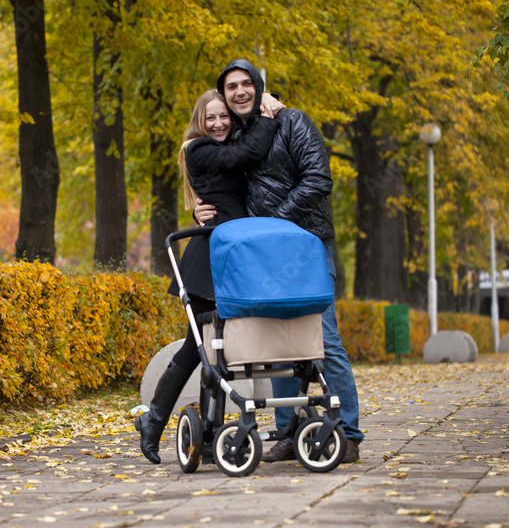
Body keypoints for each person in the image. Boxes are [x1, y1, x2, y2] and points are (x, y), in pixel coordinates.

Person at [195, 59, 364, 463]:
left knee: (323, 339)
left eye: (246, 84)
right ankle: (290, 431)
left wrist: (278, 222)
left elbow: (318, 179)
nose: (239, 92)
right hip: (264, 255)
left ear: (258, 86)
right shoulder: (234, 138)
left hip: (305, 246)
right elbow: (219, 183)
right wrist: (202, 213)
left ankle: (350, 432)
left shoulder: (292, 122)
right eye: (231, 86)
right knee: (279, 342)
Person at [134, 89, 280, 464]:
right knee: (197, 346)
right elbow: (247, 154)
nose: (217, 123)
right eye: (210, 117)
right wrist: (265, 117)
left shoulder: (231, 143)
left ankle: (211, 430)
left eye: (223, 117)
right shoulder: (196, 148)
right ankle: (154, 420)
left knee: (216, 348)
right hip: (209, 255)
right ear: (200, 120)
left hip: (234, 253)